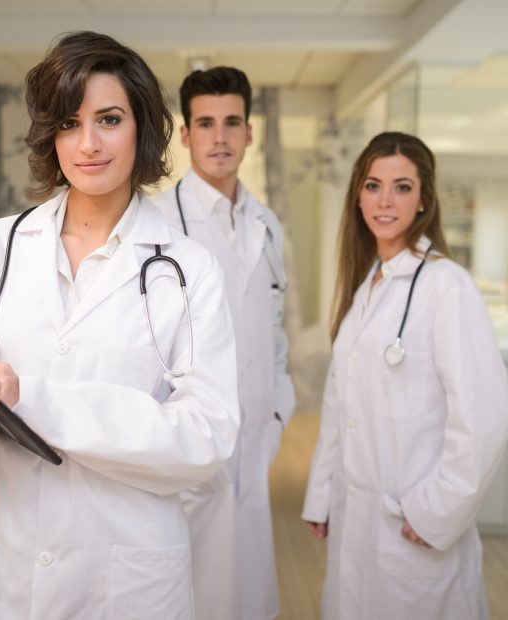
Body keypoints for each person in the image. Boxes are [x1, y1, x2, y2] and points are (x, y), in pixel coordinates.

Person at [0, 31, 239, 619]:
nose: (87, 143)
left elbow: (206, 437)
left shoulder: (187, 269)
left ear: (144, 129)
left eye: (109, 119)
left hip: (125, 577)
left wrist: (32, 398)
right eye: (67, 122)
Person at [302, 132, 508, 619]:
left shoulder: (446, 286)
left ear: (424, 200)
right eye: (374, 185)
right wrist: (321, 493)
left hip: (412, 520)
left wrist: (436, 511)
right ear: (358, 194)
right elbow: (340, 408)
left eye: (401, 187)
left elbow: (483, 420)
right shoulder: (367, 284)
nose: (385, 201)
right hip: (360, 515)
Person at [154, 66, 295, 619]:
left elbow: (275, 326)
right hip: (187, 447)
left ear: (249, 133)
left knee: (247, 595)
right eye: (205, 123)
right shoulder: (159, 224)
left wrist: (278, 409)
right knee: (187, 594)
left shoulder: (266, 223)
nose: (220, 137)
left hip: (254, 440)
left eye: (231, 122)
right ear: (184, 135)